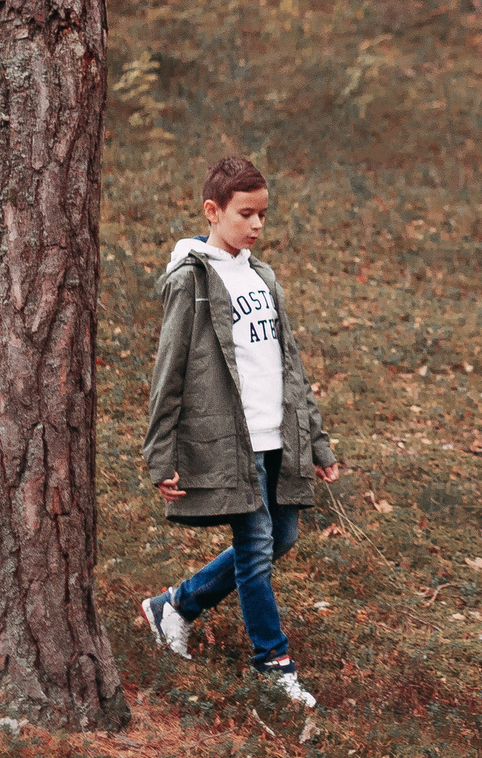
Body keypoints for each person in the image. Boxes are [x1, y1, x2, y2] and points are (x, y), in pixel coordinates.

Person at [139, 155, 340, 709]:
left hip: (280, 436)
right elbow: (168, 371)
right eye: (245, 214)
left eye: (263, 215)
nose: (256, 226)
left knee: (284, 539)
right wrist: (161, 456)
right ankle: (274, 663)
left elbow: (289, 363)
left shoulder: (261, 275)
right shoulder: (192, 281)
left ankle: (175, 604)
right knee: (254, 551)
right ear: (213, 211)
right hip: (235, 442)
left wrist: (316, 441)